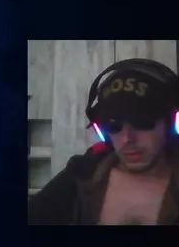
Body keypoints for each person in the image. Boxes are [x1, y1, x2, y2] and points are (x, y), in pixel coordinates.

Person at [28, 59, 179, 225]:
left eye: (142, 122)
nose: (127, 139)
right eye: (114, 126)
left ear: (171, 123)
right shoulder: (82, 172)